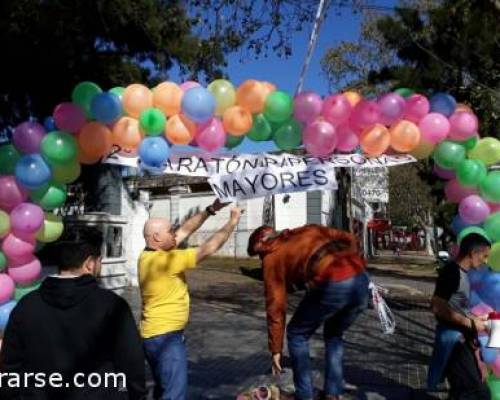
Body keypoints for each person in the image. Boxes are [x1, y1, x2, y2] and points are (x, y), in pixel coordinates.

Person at [0, 226, 146, 399]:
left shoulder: (26, 306)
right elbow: (132, 365)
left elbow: (10, 367)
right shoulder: (112, 306)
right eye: (100, 260)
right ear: (90, 264)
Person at [247, 224, 370, 400]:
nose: (260, 259)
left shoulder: (271, 259)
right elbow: (350, 238)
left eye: (258, 254)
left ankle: (305, 395)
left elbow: (276, 307)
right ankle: (332, 393)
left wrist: (276, 350)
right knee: (334, 333)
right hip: (361, 280)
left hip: (332, 283)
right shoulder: (309, 230)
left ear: (260, 246)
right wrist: (350, 264)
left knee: (297, 334)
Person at [139, 199, 242, 400]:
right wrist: (232, 222)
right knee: (174, 395)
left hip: (154, 335)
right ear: (157, 237)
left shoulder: (149, 256)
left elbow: (185, 230)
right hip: (166, 338)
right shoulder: (164, 260)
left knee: (163, 389)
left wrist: (211, 210)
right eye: (170, 231)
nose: (174, 234)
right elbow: (207, 249)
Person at [428, 232, 492, 399]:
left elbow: (457, 307)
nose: (485, 261)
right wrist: (470, 323)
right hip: (454, 343)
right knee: (477, 393)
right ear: (473, 253)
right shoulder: (452, 272)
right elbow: (437, 306)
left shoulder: (463, 275)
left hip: (462, 340)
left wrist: (476, 319)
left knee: (464, 391)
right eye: (484, 256)